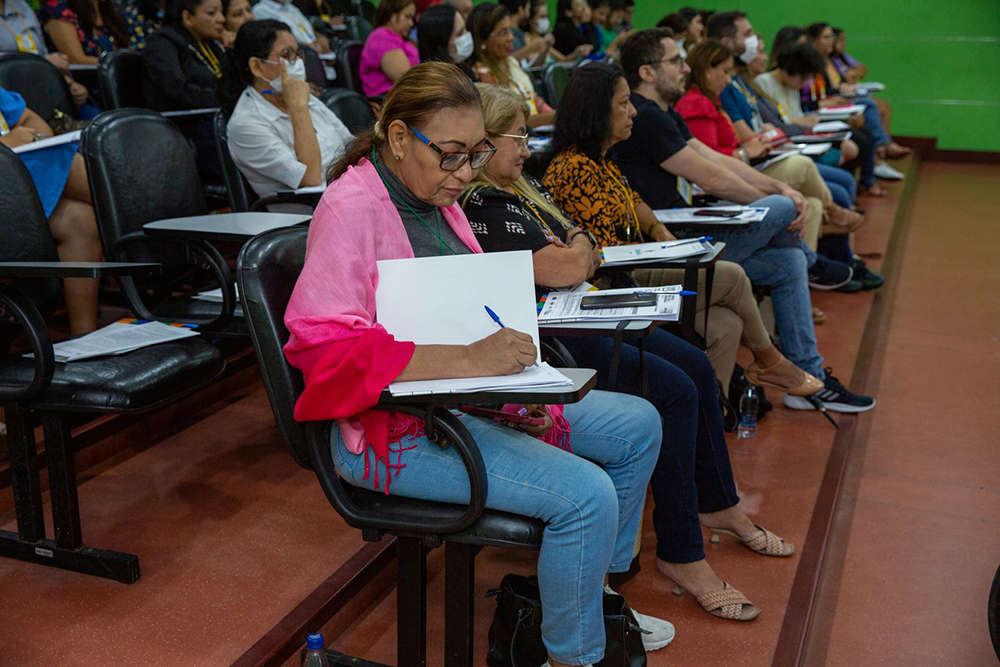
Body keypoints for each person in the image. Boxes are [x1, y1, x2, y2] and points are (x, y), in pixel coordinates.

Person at [285, 61, 673, 666]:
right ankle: (574, 656)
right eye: (451, 156)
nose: (465, 173)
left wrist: (514, 398)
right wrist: (474, 361)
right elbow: (327, 351)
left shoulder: (436, 198)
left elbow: (469, 318)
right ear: (398, 137)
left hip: (459, 403)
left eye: (475, 155)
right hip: (395, 431)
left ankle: (588, 598)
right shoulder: (352, 208)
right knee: (586, 495)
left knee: (638, 425)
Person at [462, 83, 802, 624]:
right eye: (517, 137)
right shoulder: (482, 201)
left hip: (581, 307)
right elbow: (569, 263)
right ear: (484, 139)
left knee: (695, 365)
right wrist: (577, 248)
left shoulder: (522, 184)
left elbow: (581, 246)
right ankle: (682, 553)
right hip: (551, 331)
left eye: (528, 135)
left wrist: (577, 247)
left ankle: (720, 504)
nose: (527, 147)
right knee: (675, 391)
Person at [613, 32, 878, 413]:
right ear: (647, 72)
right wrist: (779, 200)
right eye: (676, 61)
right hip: (671, 243)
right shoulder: (646, 116)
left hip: (689, 229)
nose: (686, 68)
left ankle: (808, 375)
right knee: (783, 211)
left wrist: (778, 188)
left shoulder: (664, 113)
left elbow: (718, 160)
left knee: (788, 261)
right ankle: (814, 262)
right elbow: (710, 178)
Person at [675, 39, 867, 257]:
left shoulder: (711, 98)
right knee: (803, 166)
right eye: (725, 72)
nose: (729, 79)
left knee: (813, 205)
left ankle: (810, 262)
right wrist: (747, 151)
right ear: (707, 70)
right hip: (726, 181)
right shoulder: (697, 103)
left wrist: (756, 143)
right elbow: (708, 162)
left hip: (744, 165)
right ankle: (831, 212)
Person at [0, 85, 101, 335]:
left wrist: (32, 136)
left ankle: (85, 340)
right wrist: (5, 143)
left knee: (81, 221)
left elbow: (31, 119)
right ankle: (146, 229)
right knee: (68, 165)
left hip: (12, 176)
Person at [219, 19, 352, 202]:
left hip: (347, 192)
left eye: (297, 54)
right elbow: (311, 178)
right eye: (287, 54)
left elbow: (352, 148)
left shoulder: (304, 98)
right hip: (307, 212)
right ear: (257, 66)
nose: (297, 62)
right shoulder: (245, 124)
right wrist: (298, 108)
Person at [756, 39, 882, 197]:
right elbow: (778, 122)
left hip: (804, 131)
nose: (803, 84)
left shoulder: (791, 83)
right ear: (792, 70)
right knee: (848, 150)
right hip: (792, 136)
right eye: (803, 79)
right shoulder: (764, 83)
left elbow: (797, 114)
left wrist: (807, 121)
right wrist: (803, 122)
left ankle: (848, 188)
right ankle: (837, 192)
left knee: (858, 139)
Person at [805, 21, 908, 168]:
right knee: (866, 112)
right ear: (815, 41)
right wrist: (833, 95)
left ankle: (880, 154)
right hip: (824, 107)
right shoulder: (814, 65)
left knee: (878, 110)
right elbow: (815, 96)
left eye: (832, 37)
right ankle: (881, 149)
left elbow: (860, 69)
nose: (832, 41)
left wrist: (844, 86)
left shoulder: (832, 59)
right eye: (827, 37)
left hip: (836, 101)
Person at [466, 3, 554, 128]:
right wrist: (554, 117)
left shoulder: (510, 62)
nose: (511, 37)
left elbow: (532, 98)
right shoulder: (481, 75)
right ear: (483, 41)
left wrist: (552, 113)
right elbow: (509, 122)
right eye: (503, 32)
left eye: (510, 30)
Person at [0, 0, 92, 113]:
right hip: (12, 99)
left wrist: (69, 83)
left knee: (97, 117)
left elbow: (43, 52)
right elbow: (45, 60)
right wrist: (42, 63)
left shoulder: (20, 5)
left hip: (45, 89)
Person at [358, 0, 418, 96]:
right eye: (407, 17)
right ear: (392, 16)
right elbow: (406, 78)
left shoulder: (401, 38)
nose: (411, 23)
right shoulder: (382, 37)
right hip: (389, 100)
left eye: (412, 18)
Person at [42, 0, 129, 63]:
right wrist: (120, 65)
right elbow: (77, 60)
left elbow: (127, 50)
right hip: (83, 79)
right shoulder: (59, 8)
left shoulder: (111, 9)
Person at [523, 0, 590, 63]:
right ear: (531, 20)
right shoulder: (527, 38)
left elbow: (564, 60)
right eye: (542, 17)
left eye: (547, 17)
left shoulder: (544, 40)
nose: (545, 20)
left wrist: (577, 53)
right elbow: (532, 63)